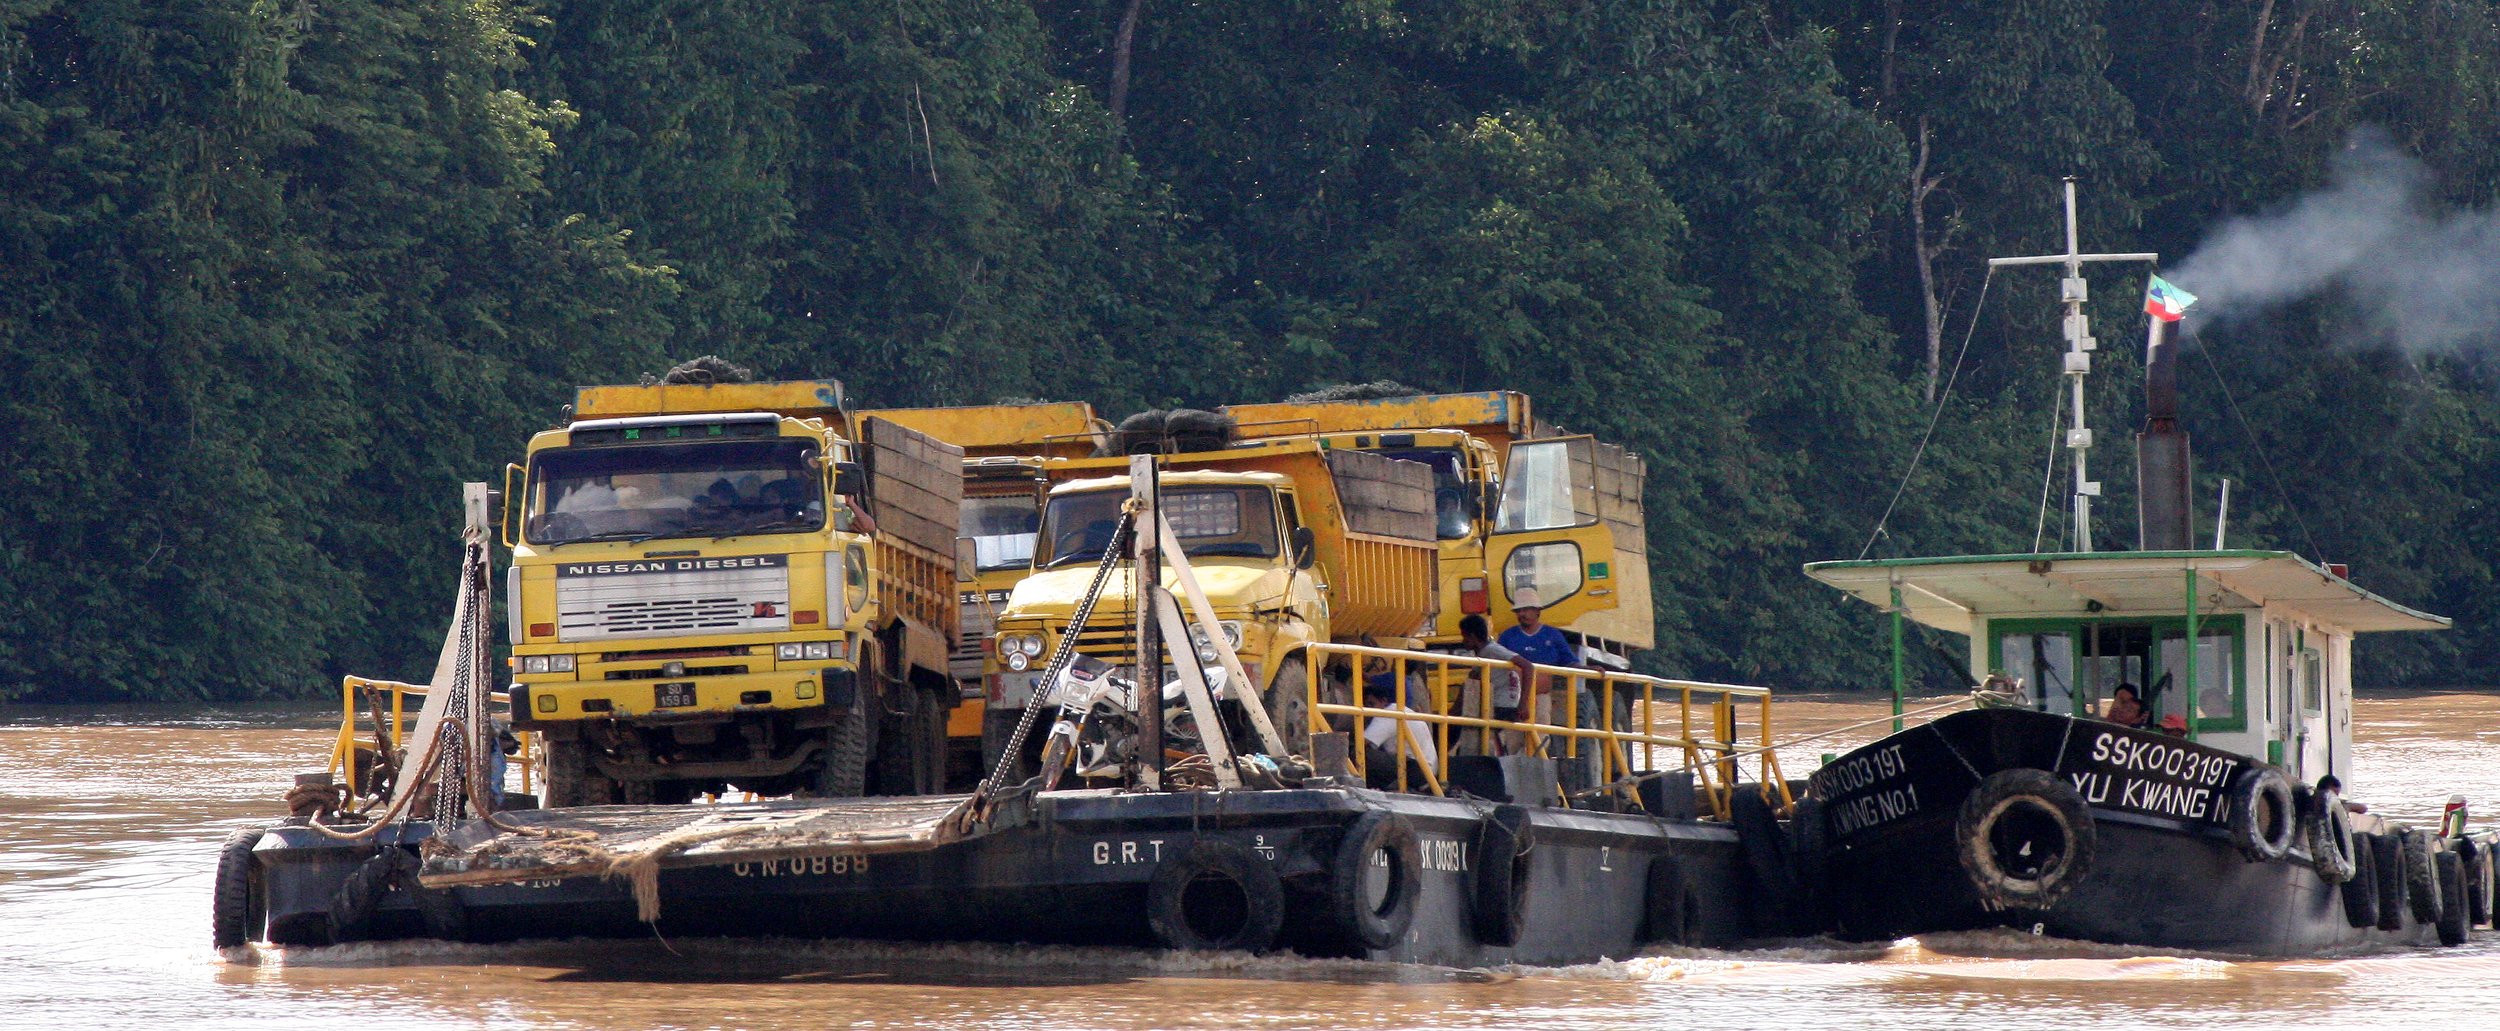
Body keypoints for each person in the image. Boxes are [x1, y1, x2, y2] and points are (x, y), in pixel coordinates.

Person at [1459, 614, 1533, 754]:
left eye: (1465, 637)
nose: (1463, 641)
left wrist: (1523, 704)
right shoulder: (1483, 653)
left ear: (1474, 637)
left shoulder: (1492, 650)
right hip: (1500, 705)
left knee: (1468, 730)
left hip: (1503, 706)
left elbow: (1528, 666)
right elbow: (1472, 680)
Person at [1359, 671, 1439, 791]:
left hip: (1416, 772)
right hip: (1428, 773)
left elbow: (1361, 744)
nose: (1368, 709)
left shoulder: (1387, 714)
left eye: (1372, 703)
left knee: (1360, 754)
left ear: (1383, 701)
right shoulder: (1403, 711)